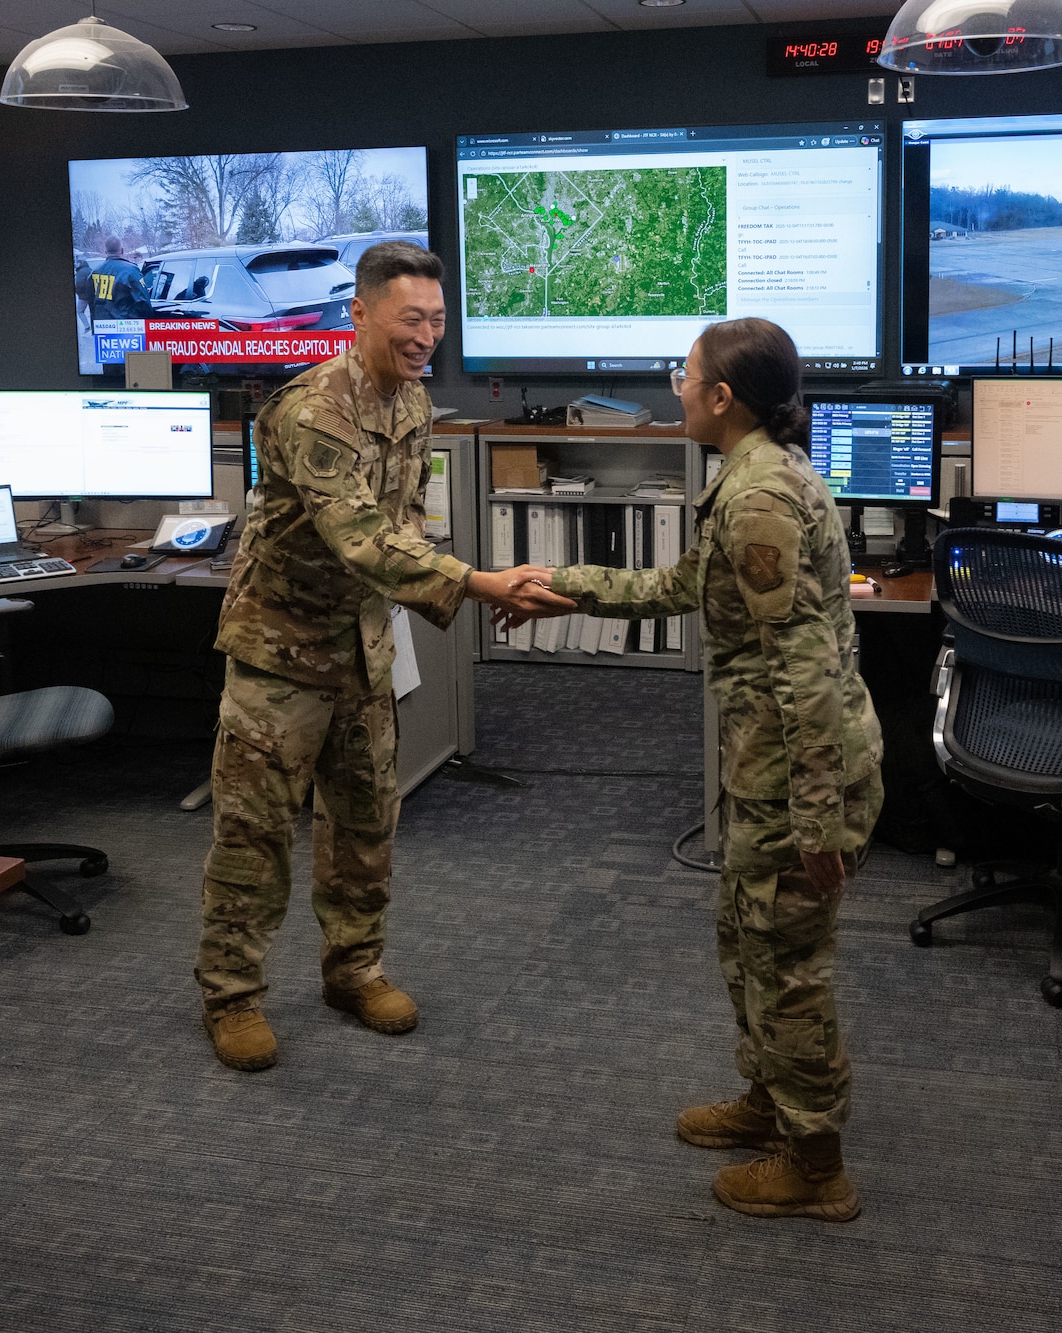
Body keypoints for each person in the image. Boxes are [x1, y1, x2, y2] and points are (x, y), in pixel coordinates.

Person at [501, 318, 883, 1221]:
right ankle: (769, 1104)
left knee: (790, 966)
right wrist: (563, 583)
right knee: (749, 943)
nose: (675, 385)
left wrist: (819, 820)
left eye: (686, 373)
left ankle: (816, 1164)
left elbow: (806, 673)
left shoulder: (758, 498)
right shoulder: (746, 476)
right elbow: (679, 589)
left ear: (722, 397)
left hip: (798, 779)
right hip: (770, 769)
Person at [197, 241, 570, 1072]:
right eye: (411, 318)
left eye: (437, 320)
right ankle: (232, 995)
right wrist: (480, 584)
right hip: (280, 651)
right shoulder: (313, 409)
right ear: (360, 312)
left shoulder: (412, 406)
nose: (426, 335)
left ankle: (353, 969)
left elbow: (400, 529)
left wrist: (474, 589)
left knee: (365, 825)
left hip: (361, 648)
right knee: (254, 835)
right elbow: (361, 539)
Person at [74, 236, 152, 324]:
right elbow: (143, 300)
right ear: (122, 250)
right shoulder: (131, 270)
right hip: (127, 326)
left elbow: (92, 304)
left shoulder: (94, 272)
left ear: (106, 252)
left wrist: (95, 328)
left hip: (103, 326)